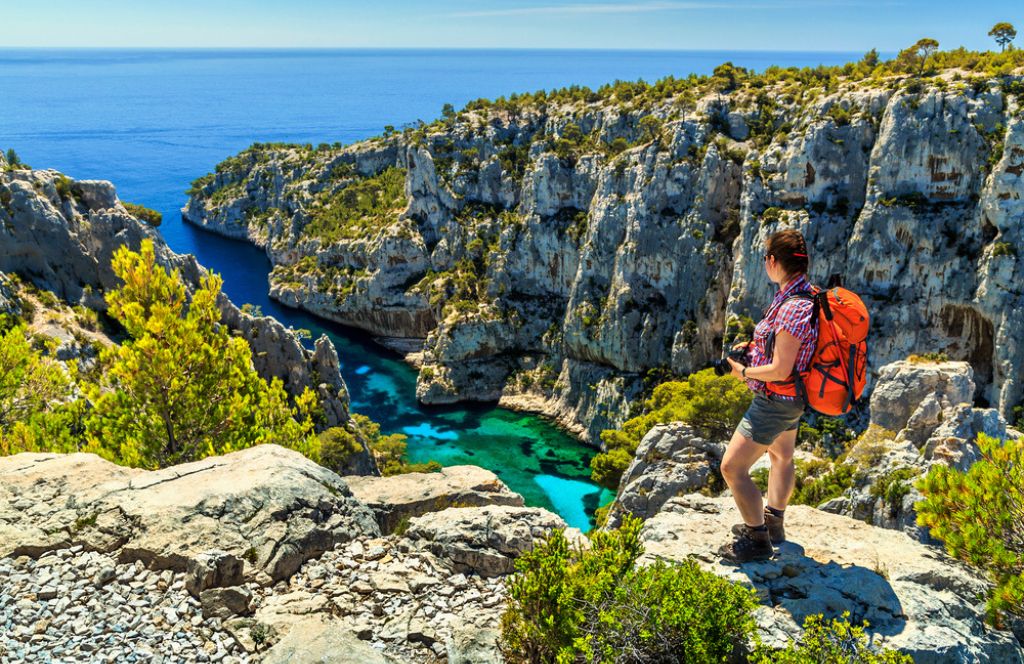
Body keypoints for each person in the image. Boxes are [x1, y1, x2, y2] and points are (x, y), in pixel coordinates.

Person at [718, 229, 818, 563]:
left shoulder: (793, 308)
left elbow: (780, 369)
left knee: (732, 468)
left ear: (773, 261)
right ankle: (773, 523)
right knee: (782, 456)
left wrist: (743, 372)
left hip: (775, 400)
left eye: (765, 258)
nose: (764, 264)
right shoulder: (804, 295)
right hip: (792, 400)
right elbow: (784, 350)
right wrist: (754, 348)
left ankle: (757, 539)